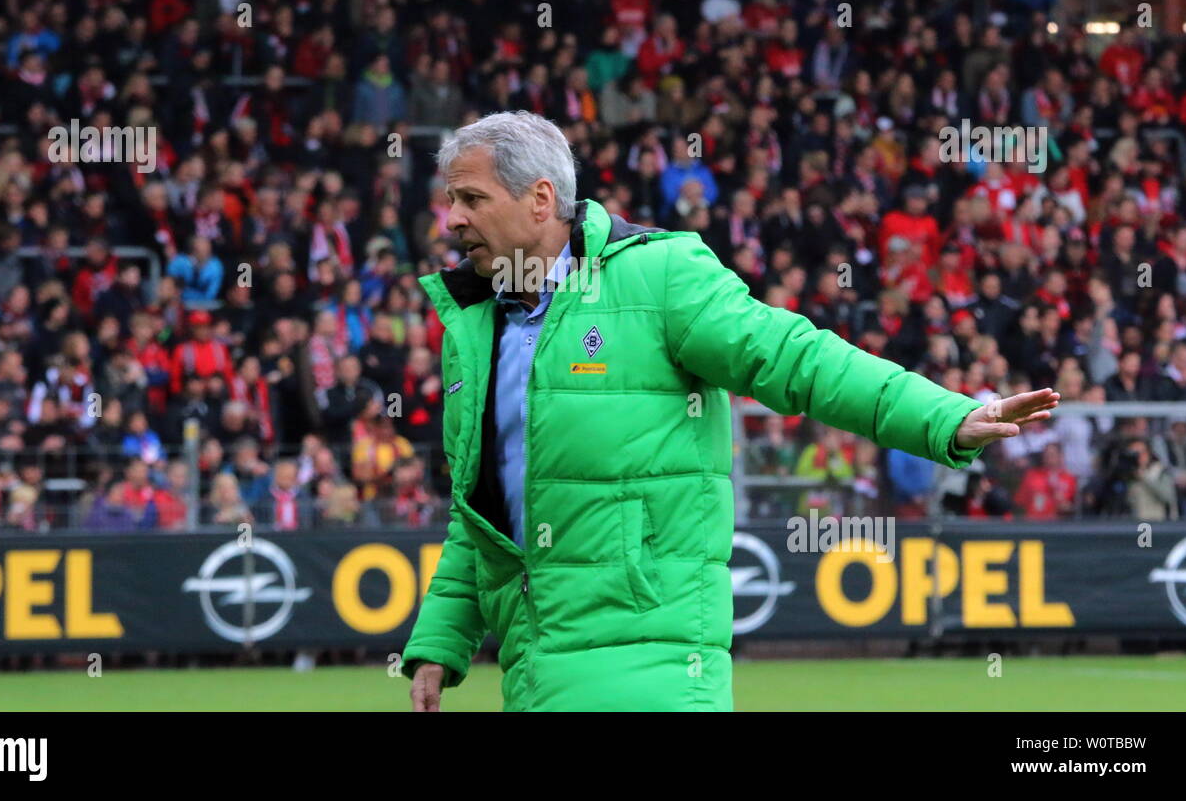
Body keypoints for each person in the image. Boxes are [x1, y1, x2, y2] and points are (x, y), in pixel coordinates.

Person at [403, 112, 1059, 712]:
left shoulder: (656, 276)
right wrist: (442, 641)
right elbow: (480, 510)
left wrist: (941, 416)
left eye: (471, 199)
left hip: (656, 668)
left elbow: (796, 359)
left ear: (541, 199)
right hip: (536, 673)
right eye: (451, 201)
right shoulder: (475, 330)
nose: (451, 220)